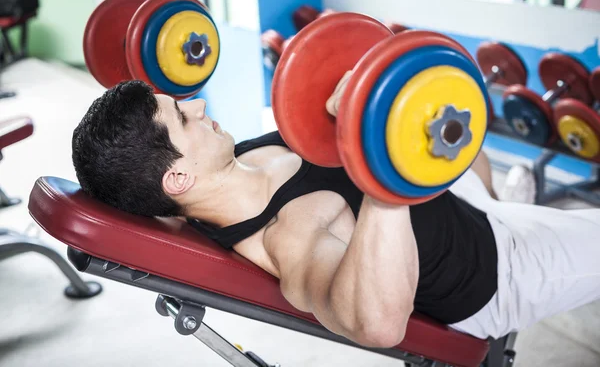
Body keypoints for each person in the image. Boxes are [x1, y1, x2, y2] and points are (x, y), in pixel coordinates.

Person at [71, 79, 600, 348]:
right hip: (497, 269)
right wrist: (381, 166)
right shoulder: (288, 236)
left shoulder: (240, 155)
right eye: (184, 117)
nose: (201, 107)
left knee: (462, 132)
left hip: (466, 210)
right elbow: (378, 323)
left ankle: (509, 203)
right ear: (178, 179)